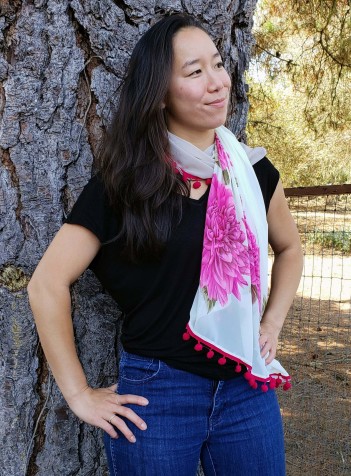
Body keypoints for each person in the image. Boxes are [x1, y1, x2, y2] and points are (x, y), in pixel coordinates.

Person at [28, 14, 303, 476]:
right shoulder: (125, 185)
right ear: (159, 94)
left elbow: (291, 250)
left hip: (245, 389)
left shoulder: (251, 173)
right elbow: (46, 283)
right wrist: (78, 394)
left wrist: (272, 322)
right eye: (195, 72)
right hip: (157, 395)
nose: (217, 82)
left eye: (218, 64)